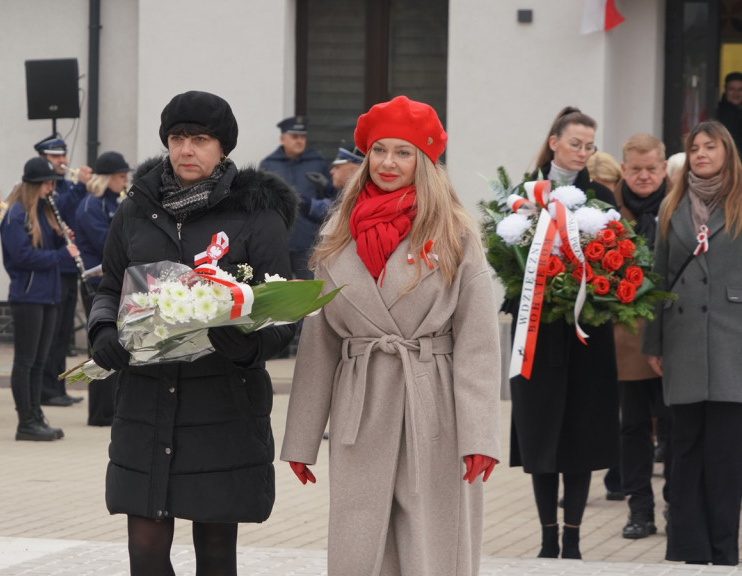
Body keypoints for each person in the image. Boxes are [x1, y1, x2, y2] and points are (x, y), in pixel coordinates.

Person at [280, 96, 501, 576]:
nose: (387, 163)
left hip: (434, 402)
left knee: (430, 536)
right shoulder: (338, 234)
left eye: (403, 152)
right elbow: (320, 345)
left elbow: (479, 344)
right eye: (379, 150)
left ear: (424, 160)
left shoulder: (454, 234)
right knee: (362, 539)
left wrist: (480, 435)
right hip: (363, 404)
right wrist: (301, 440)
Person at [86, 90, 296, 574]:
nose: (187, 149)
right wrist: (102, 331)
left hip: (222, 402)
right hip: (146, 400)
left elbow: (284, 309)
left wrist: (249, 345)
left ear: (222, 148)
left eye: (200, 139)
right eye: (178, 138)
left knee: (217, 551)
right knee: (145, 548)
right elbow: (111, 285)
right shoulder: (136, 209)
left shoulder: (255, 214)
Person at [508, 106, 619, 559]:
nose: (582, 152)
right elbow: (506, 257)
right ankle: (547, 536)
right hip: (536, 334)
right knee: (541, 431)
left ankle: (572, 539)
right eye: (575, 143)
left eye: (589, 146)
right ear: (554, 141)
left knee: (581, 432)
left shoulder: (602, 198)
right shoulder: (523, 195)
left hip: (587, 334)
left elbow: (619, 262)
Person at [642, 120, 742, 566]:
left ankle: (723, 548)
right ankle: (688, 547)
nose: (702, 154)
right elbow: (658, 279)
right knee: (683, 448)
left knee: (725, 451)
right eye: (695, 148)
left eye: (711, 146)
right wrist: (653, 342)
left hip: (732, 341)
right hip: (681, 341)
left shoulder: (739, 203)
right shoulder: (671, 206)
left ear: (727, 152)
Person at [610, 133, 673, 540]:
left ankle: (676, 507)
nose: (644, 176)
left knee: (674, 430)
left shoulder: (679, 207)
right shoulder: (606, 213)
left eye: (652, 168)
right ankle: (640, 510)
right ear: (624, 169)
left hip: (672, 340)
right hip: (628, 342)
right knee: (632, 429)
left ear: (664, 168)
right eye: (636, 169)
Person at [0, 157, 81, 441]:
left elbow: (46, 247)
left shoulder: (44, 212)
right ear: (35, 185)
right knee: (25, 360)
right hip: (27, 295)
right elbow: (22, 256)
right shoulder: (16, 215)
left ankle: (36, 415)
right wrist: (62, 254)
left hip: (48, 294)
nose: (51, 189)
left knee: (39, 360)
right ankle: (26, 421)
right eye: (48, 184)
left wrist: (62, 239)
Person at [74, 150, 131, 427]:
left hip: (115, 283)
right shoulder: (90, 206)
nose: (125, 181)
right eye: (121, 177)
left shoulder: (116, 202)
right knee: (100, 346)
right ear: (107, 178)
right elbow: (108, 244)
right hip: (96, 284)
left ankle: (114, 407)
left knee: (119, 344)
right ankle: (99, 412)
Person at [34, 135, 90, 407]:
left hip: (70, 268)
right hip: (53, 267)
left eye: (64, 155)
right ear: (44, 158)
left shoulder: (65, 186)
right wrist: (80, 188)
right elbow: (62, 211)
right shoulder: (44, 188)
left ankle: (58, 387)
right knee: (53, 332)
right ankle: (46, 389)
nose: (63, 161)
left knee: (64, 333)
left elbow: (77, 215)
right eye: (56, 157)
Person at [586, 149, 626, 502]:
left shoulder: (622, 216)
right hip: (593, 320)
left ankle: (619, 473)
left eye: (610, 184)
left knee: (626, 405)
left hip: (623, 323)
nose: (604, 191)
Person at [259, 115, 331, 280]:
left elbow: (330, 201)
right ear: (282, 139)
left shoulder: (317, 162)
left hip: (309, 241)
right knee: (279, 289)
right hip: (277, 241)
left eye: (302, 137)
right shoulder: (269, 164)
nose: (299, 140)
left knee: (309, 291)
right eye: (294, 137)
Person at [715, 72, 742, 153]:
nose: (736, 93)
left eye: (740, 90)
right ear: (725, 89)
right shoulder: (716, 111)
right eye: (732, 89)